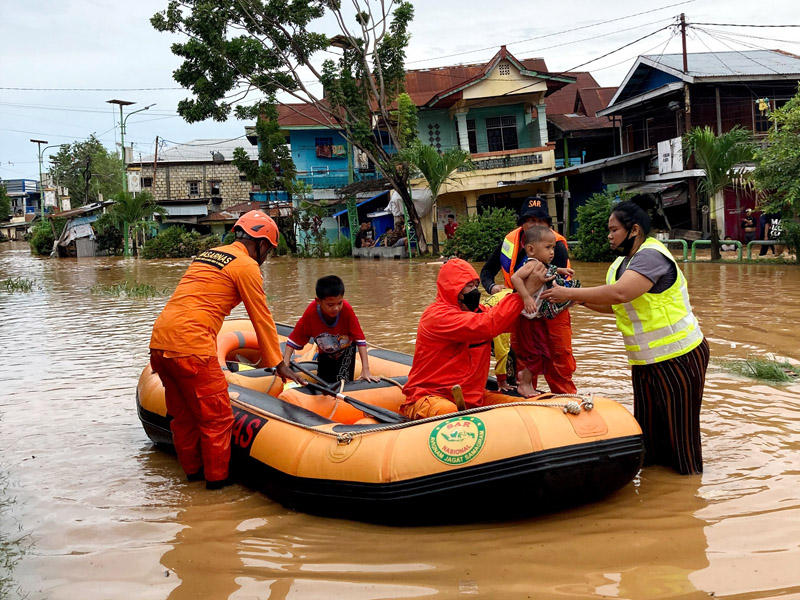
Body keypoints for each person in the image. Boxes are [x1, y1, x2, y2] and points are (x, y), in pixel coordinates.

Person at [541, 197, 709, 475]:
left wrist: (569, 293)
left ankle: (689, 489)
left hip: (680, 356)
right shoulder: (622, 263)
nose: (609, 235)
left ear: (634, 230)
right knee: (649, 432)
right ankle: (657, 490)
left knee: (682, 435)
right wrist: (577, 301)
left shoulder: (651, 256)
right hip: (646, 361)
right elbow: (614, 304)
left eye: (613, 229)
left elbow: (620, 293)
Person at [149, 210, 302, 489]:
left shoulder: (209, 255)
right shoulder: (246, 266)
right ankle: (216, 487)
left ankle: (193, 477)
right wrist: (278, 363)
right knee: (217, 419)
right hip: (192, 346)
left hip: (160, 342)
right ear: (263, 244)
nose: (266, 259)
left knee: (183, 418)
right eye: (268, 251)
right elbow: (261, 316)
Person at [400, 257, 550, 419]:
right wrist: (521, 295)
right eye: (469, 286)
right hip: (430, 396)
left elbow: (508, 321)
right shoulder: (437, 316)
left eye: (476, 285)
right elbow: (488, 325)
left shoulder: (479, 311)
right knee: (448, 412)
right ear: (453, 289)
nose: (475, 291)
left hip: (473, 398)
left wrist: (542, 299)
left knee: (520, 408)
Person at [480, 196, 577, 394]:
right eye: (531, 220)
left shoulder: (555, 246)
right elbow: (487, 271)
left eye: (541, 221)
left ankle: (565, 398)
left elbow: (550, 274)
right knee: (520, 356)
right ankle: (523, 395)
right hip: (519, 309)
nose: (536, 225)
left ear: (548, 225)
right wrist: (492, 287)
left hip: (551, 310)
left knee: (558, 360)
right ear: (522, 223)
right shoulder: (508, 243)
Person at [510, 226, 580, 397]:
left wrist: (561, 270)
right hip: (527, 319)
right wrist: (526, 297)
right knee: (537, 355)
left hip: (536, 319)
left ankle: (524, 378)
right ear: (531, 249)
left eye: (553, 248)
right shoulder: (532, 264)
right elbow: (515, 278)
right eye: (548, 248)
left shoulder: (541, 265)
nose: (552, 252)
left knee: (546, 354)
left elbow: (550, 271)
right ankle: (524, 383)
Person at [283, 275, 379, 383]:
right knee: (324, 383)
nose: (336, 308)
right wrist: (285, 365)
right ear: (318, 301)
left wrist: (366, 370)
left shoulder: (346, 310)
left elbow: (360, 340)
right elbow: (293, 340)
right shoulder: (311, 313)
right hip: (325, 353)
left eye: (339, 303)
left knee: (342, 381)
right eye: (330, 305)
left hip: (345, 350)